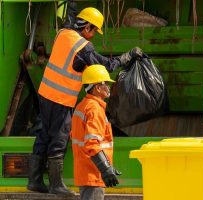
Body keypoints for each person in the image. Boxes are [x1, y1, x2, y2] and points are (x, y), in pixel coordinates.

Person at [27, 1, 142, 195]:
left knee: (44, 134)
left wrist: (71, 4)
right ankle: (56, 184)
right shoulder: (83, 46)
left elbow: (69, 16)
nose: (93, 36)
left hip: (45, 93)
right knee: (60, 137)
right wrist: (128, 56)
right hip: (61, 98)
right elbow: (105, 67)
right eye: (94, 31)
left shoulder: (64, 32)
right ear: (87, 27)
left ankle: (34, 179)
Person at [71, 64, 120, 200]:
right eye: (106, 84)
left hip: (87, 172)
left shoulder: (83, 106)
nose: (108, 87)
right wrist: (105, 168)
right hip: (93, 174)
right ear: (97, 87)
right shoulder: (94, 109)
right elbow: (92, 143)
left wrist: (107, 166)